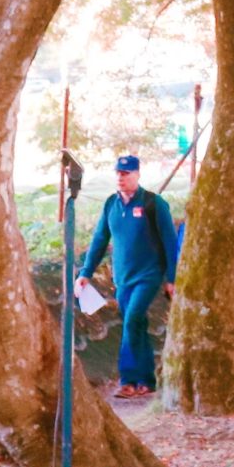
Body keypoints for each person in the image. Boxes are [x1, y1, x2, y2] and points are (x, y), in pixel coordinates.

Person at [82, 153, 179, 399]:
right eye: (118, 173)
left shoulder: (153, 203)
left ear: (137, 174)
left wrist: (172, 278)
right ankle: (147, 381)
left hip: (148, 275)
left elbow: (170, 242)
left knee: (132, 318)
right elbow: (99, 240)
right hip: (123, 278)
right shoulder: (110, 205)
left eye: (126, 173)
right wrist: (85, 273)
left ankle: (128, 380)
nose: (121, 178)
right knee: (137, 324)